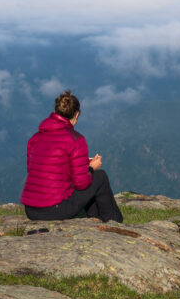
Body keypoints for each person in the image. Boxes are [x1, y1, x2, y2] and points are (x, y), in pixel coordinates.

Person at [20, 90, 122, 222]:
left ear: (56, 112)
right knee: (99, 177)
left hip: (31, 210)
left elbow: (37, 170)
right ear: (77, 114)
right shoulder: (75, 139)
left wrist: (81, 164)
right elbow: (81, 184)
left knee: (89, 179)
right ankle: (114, 223)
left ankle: (95, 220)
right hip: (54, 209)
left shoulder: (35, 138)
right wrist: (91, 168)